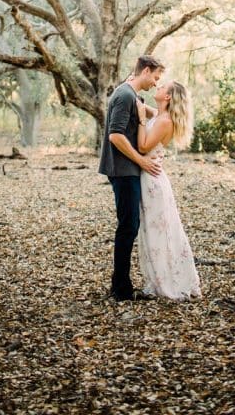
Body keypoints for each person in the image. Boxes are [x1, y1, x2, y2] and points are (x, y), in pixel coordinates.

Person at [98, 55, 164, 302]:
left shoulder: (132, 94)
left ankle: (121, 285)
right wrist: (141, 160)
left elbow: (154, 115)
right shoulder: (125, 95)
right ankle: (121, 289)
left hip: (128, 169)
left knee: (130, 226)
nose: (156, 83)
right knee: (128, 227)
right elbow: (115, 136)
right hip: (123, 170)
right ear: (146, 71)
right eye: (156, 77)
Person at [135, 80, 201, 300]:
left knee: (159, 234)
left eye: (163, 87)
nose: (159, 86)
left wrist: (141, 120)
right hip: (151, 177)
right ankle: (159, 279)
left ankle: (168, 283)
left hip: (152, 179)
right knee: (153, 232)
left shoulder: (164, 121)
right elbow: (145, 108)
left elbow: (144, 146)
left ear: (168, 97)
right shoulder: (160, 115)